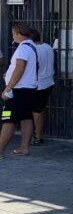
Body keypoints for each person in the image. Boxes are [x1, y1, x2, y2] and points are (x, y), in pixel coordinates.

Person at [0, 22, 39, 158]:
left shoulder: (22, 49)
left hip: (18, 90)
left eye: (13, 33)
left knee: (8, 119)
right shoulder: (31, 46)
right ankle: (24, 147)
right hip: (28, 89)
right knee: (26, 117)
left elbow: (20, 68)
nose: (13, 36)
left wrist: (8, 87)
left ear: (18, 33)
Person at [31, 29, 55, 146]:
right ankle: (38, 133)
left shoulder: (32, 49)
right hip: (48, 82)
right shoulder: (48, 47)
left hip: (38, 84)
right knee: (40, 109)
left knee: (36, 110)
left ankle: (38, 135)